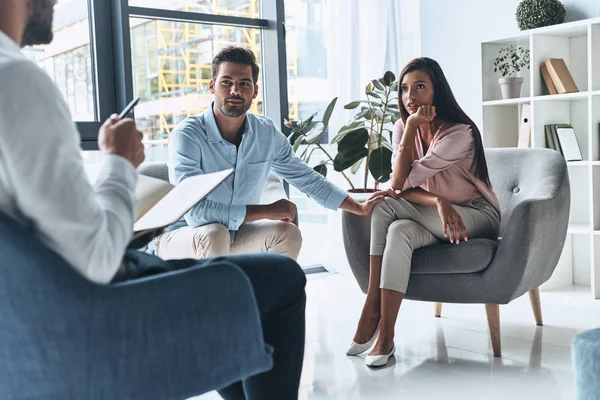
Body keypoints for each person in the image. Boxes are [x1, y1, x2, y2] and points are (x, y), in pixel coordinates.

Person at [0, 1, 309, 398]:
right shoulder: (19, 80)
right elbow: (96, 259)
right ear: (212, 86)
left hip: (29, 317)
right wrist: (118, 163)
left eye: (244, 83)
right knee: (282, 280)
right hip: (94, 313)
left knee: (229, 284)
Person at [153, 46, 383, 261]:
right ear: (212, 86)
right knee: (215, 233)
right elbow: (197, 214)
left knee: (287, 233)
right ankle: (221, 304)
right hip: (180, 237)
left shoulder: (265, 133)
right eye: (226, 82)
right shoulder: (188, 135)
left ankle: (270, 303)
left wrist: (357, 206)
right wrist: (266, 211)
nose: (235, 90)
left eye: (244, 83)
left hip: (233, 234)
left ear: (255, 91)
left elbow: (305, 177)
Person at [346, 57, 502, 368]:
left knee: (384, 203)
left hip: (476, 216)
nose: (410, 96)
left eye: (419, 87)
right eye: (404, 89)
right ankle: (386, 337)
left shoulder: (460, 133)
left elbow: (398, 185)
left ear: (436, 91)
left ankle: (372, 303)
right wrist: (438, 202)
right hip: (434, 216)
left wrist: (443, 203)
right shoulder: (404, 127)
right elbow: (401, 185)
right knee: (398, 231)